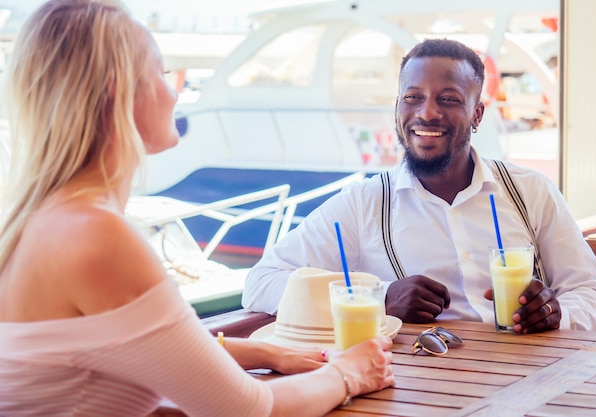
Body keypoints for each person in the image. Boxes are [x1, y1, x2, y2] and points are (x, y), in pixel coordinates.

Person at [0, 1, 394, 416]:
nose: (174, 93)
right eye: (163, 73)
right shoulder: (95, 235)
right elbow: (250, 410)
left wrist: (267, 352)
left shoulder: (39, 220)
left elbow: (129, 351)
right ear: (119, 88)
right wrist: (349, 372)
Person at [242, 38, 596, 334]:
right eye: (413, 97)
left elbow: (591, 292)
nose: (427, 113)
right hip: (415, 388)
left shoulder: (530, 191)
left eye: (448, 99)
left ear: (477, 114)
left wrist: (555, 313)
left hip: (530, 377)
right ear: (397, 107)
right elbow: (261, 283)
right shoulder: (364, 204)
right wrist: (379, 298)